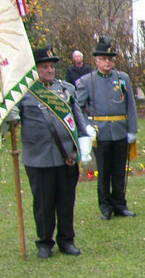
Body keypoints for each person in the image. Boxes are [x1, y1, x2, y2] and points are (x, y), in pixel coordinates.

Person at [10, 46, 92, 257]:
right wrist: (9, 116)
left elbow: (78, 120)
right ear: (34, 70)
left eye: (51, 66)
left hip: (67, 157)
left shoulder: (66, 90)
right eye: (44, 67)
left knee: (66, 201)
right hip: (38, 158)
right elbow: (11, 122)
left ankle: (66, 240)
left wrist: (84, 145)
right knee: (43, 203)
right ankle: (45, 242)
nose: (49, 70)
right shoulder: (23, 93)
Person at [75, 36, 138, 219]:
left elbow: (130, 105)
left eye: (110, 59)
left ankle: (120, 204)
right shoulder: (87, 81)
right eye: (103, 59)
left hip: (120, 130)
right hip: (100, 132)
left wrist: (132, 129)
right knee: (103, 172)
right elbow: (78, 108)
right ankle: (105, 207)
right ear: (96, 61)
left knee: (119, 171)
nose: (107, 62)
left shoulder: (122, 78)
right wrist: (87, 126)